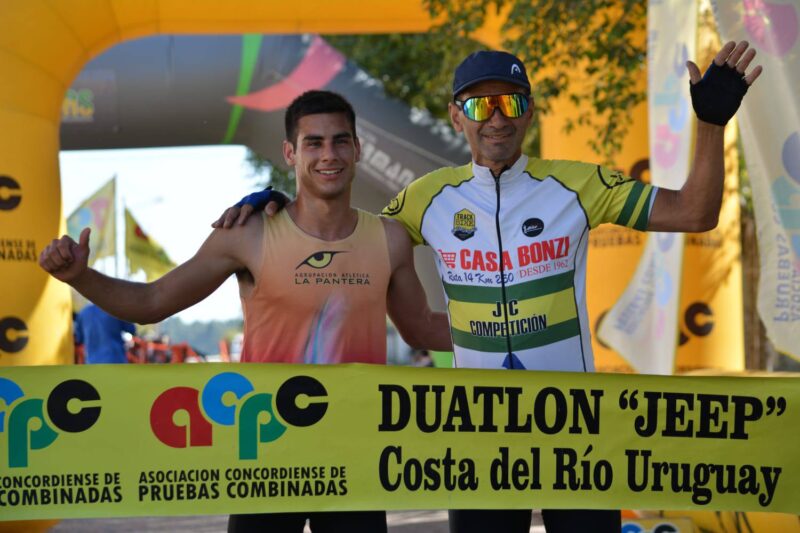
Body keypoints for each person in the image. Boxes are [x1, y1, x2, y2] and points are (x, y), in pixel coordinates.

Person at [217, 42, 762, 533]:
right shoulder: (426, 198)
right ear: (457, 116)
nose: (496, 118)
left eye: (510, 103)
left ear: (529, 110)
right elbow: (346, 238)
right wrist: (280, 207)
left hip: (575, 429)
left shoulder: (576, 184)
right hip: (478, 434)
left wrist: (710, 124)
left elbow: (694, 213)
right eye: (480, 106)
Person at [39, 90, 452, 533]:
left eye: (340, 141)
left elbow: (421, 329)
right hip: (266, 454)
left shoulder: (389, 239)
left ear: (357, 149)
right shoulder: (248, 233)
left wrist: (507, 327)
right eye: (313, 143)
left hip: (352, 455)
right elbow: (152, 302)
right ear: (290, 153)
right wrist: (81, 277)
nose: (328, 155)